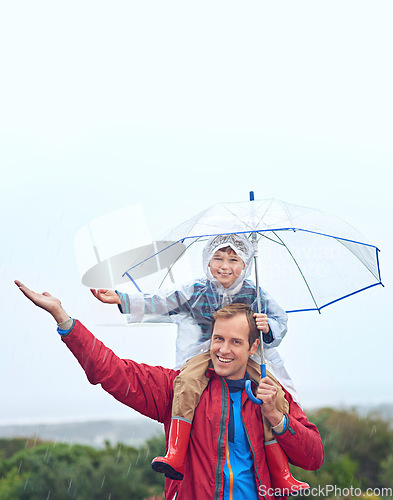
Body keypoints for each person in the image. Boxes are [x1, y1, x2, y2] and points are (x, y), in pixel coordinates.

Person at [15, 281, 324, 500]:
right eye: (218, 339)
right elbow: (110, 371)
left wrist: (277, 419)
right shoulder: (178, 387)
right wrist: (64, 320)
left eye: (235, 341)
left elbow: (313, 457)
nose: (223, 350)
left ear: (254, 346)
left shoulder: (271, 392)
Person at [90, 233, 306, 490]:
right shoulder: (195, 290)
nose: (225, 266)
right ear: (207, 262)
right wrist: (122, 299)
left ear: (245, 265)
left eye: (233, 259)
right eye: (218, 258)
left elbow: (280, 322)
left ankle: (282, 474)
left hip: (248, 355)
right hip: (204, 353)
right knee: (186, 384)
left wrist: (267, 325)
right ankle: (176, 453)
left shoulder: (256, 293)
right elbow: (162, 301)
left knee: (273, 396)